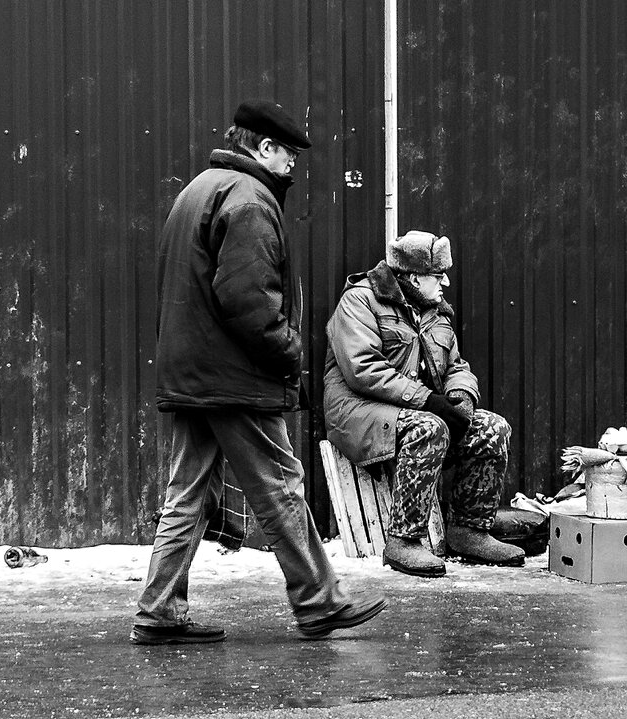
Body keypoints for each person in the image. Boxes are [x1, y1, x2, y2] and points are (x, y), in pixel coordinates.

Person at [136, 100, 388, 644]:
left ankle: (159, 611)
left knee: (187, 493)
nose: (294, 165)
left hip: (193, 374)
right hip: (233, 378)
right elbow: (247, 301)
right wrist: (291, 351)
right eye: (289, 154)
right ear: (264, 147)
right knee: (280, 487)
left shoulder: (198, 190)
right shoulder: (249, 199)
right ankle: (320, 601)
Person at [323, 230, 525, 577]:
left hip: (412, 407)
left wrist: (460, 398)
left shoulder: (436, 312)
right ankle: (403, 541)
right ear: (415, 277)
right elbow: (362, 370)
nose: (445, 281)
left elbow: (456, 366)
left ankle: (469, 530)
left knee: (492, 427)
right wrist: (428, 401)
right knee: (428, 427)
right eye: (438, 275)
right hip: (357, 411)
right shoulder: (360, 301)